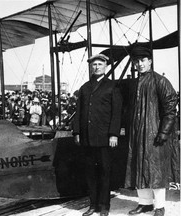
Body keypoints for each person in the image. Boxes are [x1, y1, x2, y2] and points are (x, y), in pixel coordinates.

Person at [125, 46, 178, 216]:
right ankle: (145, 203)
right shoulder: (135, 83)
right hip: (137, 133)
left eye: (143, 60)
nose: (139, 64)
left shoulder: (160, 81)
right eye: (136, 61)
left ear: (150, 61)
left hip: (154, 133)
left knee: (156, 170)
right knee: (139, 167)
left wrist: (164, 132)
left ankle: (160, 206)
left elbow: (171, 109)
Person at [72, 54, 123, 216]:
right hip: (87, 138)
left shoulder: (112, 87)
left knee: (104, 172)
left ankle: (104, 206)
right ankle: (93, 205)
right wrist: (77, 132)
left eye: (100, 64)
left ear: (106, 66)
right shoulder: (85, 87)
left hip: (104, 138)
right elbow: (79, 112)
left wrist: (114, 134)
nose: (96, 67)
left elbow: (117, 113)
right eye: (94, 65)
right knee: (90, 173)